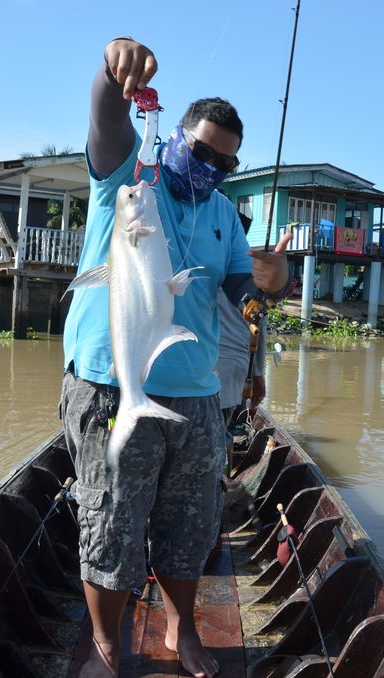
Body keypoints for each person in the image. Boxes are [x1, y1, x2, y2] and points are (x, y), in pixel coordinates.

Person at [59, 38, 292, 678]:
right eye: (201, 151)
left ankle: (180, 627)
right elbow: (105, 121)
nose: (211, 167)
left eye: (226, 162)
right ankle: (106, 642)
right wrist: (112, 75)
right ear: (173, 138)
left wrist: (272, 283)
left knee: (190, 528)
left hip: (195, 392)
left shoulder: (223, 214)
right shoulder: (128, 182)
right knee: (110, 523)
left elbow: (245, 286)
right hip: (111, 383)